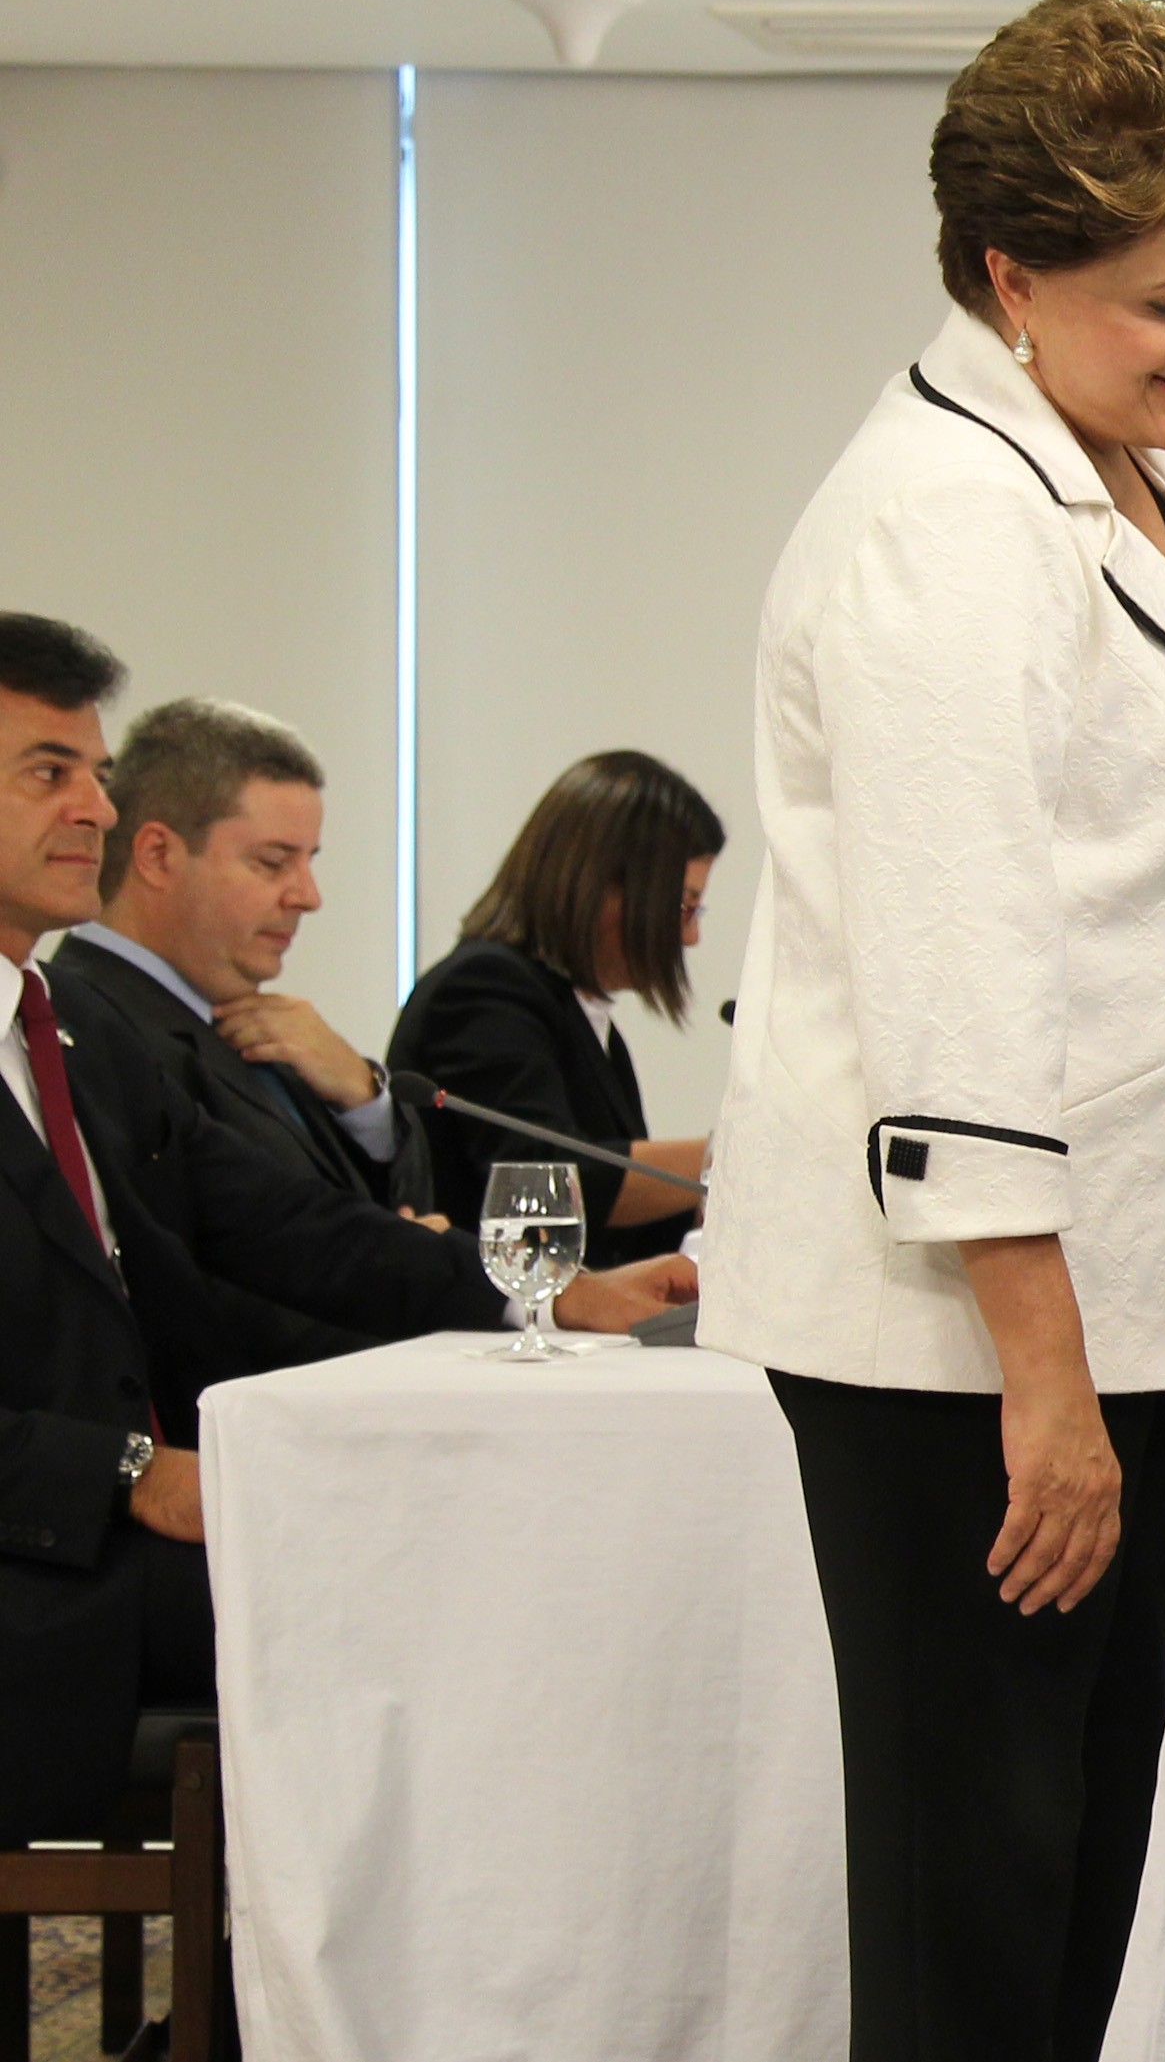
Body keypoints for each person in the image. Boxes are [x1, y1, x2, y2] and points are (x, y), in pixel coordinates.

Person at [697, 0, 1165, 2062]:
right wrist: (1051, 1382)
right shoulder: (940, 527)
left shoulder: (1115, 463)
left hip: (1104, 1305)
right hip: (967, 1343)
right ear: (1009, 274)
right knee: (981, 1908)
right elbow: (959, 977)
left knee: (1072, 1879)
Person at [0, 618, 683, 1854]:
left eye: (97, 774)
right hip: (43, 1569)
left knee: (499, 1565)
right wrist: (128, 1471)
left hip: (108, 1547)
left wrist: (541, 1293)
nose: (94, 809)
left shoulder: (69, 1033)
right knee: (452, 1603)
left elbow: (293, 1236)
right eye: (49, 772)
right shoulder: (95, 1020)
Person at [50, 696, 435, 1215]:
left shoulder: (265, 1026)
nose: (308, 896)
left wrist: (364, 1101)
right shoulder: (89, 1024)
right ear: (158, 855)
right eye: (273, 862)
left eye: (308, 861)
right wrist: (399, 1274)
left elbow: (376, 1212)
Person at [389, 751, 720, 1264]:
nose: (691, 935)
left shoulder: (583, 1018)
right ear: (602, 885)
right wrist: (727, 1155)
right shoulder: (483, 989)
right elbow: (542, 1179)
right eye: (683, 906)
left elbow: (613, 1232)